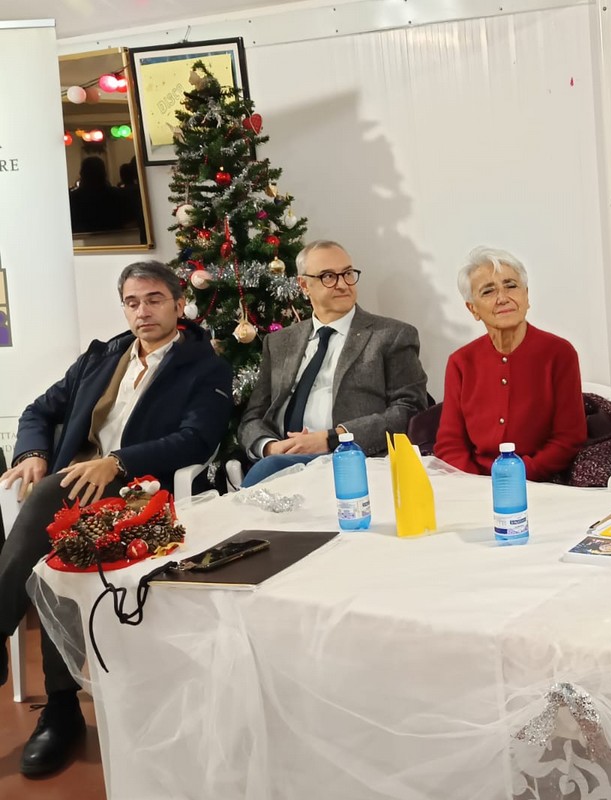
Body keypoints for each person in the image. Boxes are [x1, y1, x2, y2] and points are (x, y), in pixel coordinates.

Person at [0, 260, 232, 776]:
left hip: (140, 494)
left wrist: (118, 462)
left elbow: (197, 439)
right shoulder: (102, 356)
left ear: (179, 304)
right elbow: (38, 411)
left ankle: (61, 710)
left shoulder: (205, 366)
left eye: (154, 299)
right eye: (132, 302)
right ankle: (61, 709)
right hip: (71, 491)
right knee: (54, 541)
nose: (142, 311)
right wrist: (32, 453)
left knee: (51, 505)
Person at [239, 240, 429, 486]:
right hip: (284, 459)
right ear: (304, 285)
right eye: (328, 276)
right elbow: (253, 417)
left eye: (347, 273)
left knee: (267, 473)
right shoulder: (279, 342)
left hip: (351, 461)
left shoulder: (391, 336)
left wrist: (332, 438)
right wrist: (271, 448)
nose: (342, 284)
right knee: (271, 468)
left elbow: (409, 410)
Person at [434, 246, 587, 480]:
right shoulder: (461, 362)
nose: (503, 298)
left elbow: (569, 438)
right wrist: (476, 484)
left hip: (541, 481)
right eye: (488, 291)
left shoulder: (559, 353)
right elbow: (449, 443)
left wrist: (517, 476)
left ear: (527, 296)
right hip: (474, 483)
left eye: (511, 286)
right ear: (473, 308)